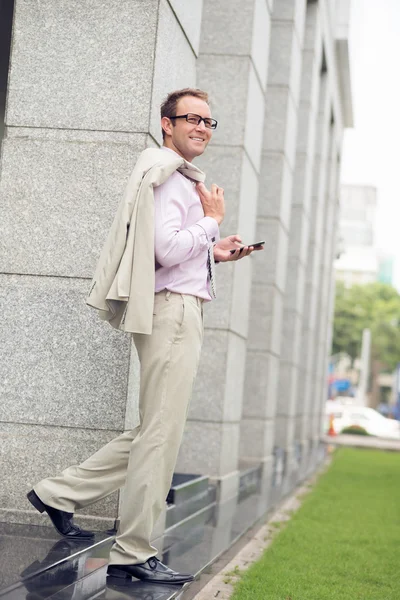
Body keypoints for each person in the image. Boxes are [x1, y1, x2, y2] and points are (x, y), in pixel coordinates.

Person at [27, 88, 263, 585]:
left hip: (174, 310)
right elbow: (167, 248)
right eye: (192, 119)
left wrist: (213, 249)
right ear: (167, 124)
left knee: (152, 430)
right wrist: (211, 220)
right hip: (173, 315)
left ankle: (57, 494)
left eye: (209, 121)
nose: (202, 127)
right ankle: (134, 552)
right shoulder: (169, 175)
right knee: (159, 434)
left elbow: (174, 250)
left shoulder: (171, 175)